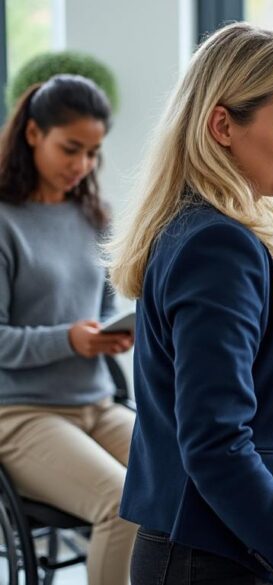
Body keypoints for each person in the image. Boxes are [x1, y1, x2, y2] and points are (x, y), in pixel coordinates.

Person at [108, 23, 273, 585]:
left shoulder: (200, 230)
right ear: (223, 126)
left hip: (217, 549)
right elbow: (216, 445)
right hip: (216, 559)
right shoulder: (218, 246)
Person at [0, 74, 135, 585]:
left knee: (184, 471)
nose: (82, 166)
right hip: (21, 415)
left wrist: (109, 331)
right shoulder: (5, 222)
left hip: (96, 405)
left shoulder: (91, 214)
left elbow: (100, 303)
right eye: (70, 149)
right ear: (33, 134)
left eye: (93, 153)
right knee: (123, 503)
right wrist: (69, 339)